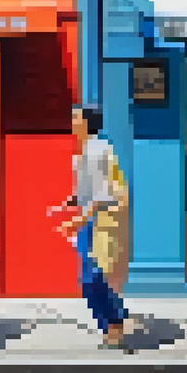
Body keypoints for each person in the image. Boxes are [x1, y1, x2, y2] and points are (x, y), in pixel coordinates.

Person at [49, 105, 131, 349]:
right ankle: (114, 317)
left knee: (91, 278)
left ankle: (113, 324)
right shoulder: (86, 151)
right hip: (92, 219)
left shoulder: (96, 150)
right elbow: (88, 190)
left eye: (75, 117)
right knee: (92, 276)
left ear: (86, 122)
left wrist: (80, 219)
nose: (72, 122)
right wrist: (69, 202)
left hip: (99, 220)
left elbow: (102, 192)